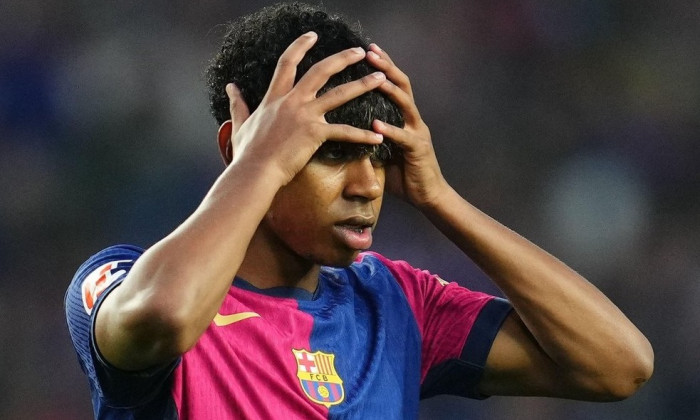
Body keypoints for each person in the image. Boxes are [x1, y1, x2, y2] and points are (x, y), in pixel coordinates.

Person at [65, 2, 653, 419]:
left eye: (377, 158)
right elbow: (165, 315)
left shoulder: (397, 304)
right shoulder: (118, 280)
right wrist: (261, 163)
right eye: (331, 155)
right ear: (239, 147)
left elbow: (619, 364)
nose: (367, 186)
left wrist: (438, 198)